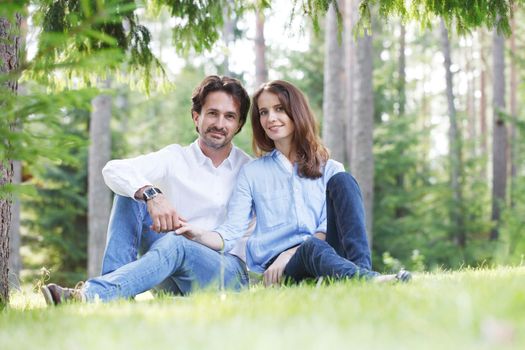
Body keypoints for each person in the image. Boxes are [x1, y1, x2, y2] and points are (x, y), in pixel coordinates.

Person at [41, 75, 253, 305]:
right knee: (131, 192)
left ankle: (93, 296)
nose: (220, 124)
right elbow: (114, 169)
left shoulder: (249, 170)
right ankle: (116, 295)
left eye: (229, 116)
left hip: (228, 273)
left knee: (177, 243)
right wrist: (151, 193)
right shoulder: (175, 157)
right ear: (196, 116)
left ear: (239, 124)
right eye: (212, 113)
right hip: (172, 273)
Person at [177, 80, 411, 286]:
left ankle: (363, 274)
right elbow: (231, 232)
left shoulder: (330, 168)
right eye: (264, 112)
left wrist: (290, 252)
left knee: (344, 181)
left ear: (296, 112)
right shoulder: (251, 173)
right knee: (311, 248)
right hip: (282, 268)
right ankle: (365, 280)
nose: (271, 118)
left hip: (324, 253)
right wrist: (197, 234)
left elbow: (327, 227)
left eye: (279, 109)